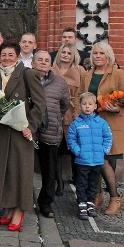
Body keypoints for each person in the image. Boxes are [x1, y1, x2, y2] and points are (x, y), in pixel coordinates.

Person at [0, 41, 45, 232]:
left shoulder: (27, 73)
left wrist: (31, 126)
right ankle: (9, 207)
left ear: (17, 57)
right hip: (3, 131)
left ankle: (19, 211)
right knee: (5, 171)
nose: (6, 58)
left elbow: (40, 104)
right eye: (3, 55)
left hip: (22, 131)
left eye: (10, 55)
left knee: (20, 171)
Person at [76, 42, 124, 215]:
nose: (97, 56)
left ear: (108, 56)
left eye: (101, 53)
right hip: (90, 124)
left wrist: (119, 108)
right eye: (95, 53)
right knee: (95, 162)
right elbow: (81, 97)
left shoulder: (118, 73)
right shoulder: (88, 75)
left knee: (105, 162)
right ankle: (97, 195)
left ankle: (115, 197)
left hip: (110, 125)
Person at [32, 51, 69, 219]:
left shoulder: (59, 82)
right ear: (32, 63)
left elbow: (64, 105)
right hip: (29, 130)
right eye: (39, 59)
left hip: (50, 130)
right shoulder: (26, 79)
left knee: (49, 170)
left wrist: (54, 118)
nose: (43, 63)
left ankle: (45, 203)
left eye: (47, 60)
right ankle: (23, 200)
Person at [67, 92, 113, 220]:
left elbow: (108, 137)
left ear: (95, 106)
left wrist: (104, 150)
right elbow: (71, 139)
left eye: (90, 104)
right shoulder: (76, 124)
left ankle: (90, 204)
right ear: (80, 106)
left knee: (94, 184)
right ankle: (81, 204)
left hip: (97, 160)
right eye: (84, 104)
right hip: (82, 160)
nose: (87, 106)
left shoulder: (101, 123)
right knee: (81, 183)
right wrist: (78, 151)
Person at [52, 43, 86, 195]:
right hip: (55, 113)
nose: (65, 55)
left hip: (73, 113)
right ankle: (59, 183)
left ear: (74, 55)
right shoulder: (52, 69)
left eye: (68, 52)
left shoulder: (79, 70)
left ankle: (77, 180)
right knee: (56, 151)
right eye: (63, 52)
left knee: (75, 149)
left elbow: (84, 92)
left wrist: (80, 111)